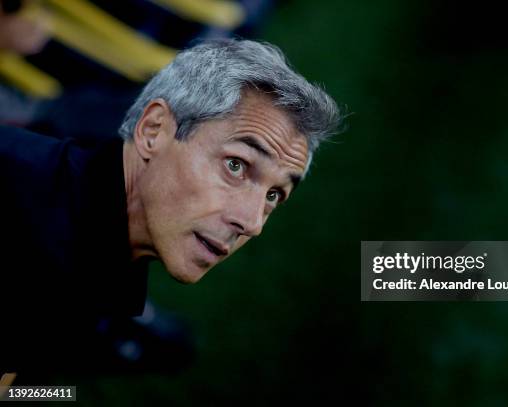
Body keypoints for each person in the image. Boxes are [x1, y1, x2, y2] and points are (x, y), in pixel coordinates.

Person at [0, 38, 340, 371]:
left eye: (273, 195)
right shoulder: (28, 245)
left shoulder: (100, 248)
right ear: (153, 130)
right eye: (236, 165)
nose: (252, 223)